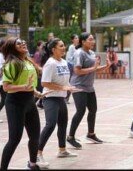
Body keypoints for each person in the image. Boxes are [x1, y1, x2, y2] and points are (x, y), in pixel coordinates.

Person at [0, 37, 44, 170]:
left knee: (35, 136)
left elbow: (29, 84)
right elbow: (6, 87)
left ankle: (32, 164)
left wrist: (36, 92)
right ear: (13, 48)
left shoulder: (28, 61)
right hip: (15, 103)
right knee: (14, 139)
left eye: (24, 42)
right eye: (19, 43)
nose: (23, 43)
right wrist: (23, 87)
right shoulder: (12, 64)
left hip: (29, 101)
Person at [37, 38, 80, 168]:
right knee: (50, 125)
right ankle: (37, 154)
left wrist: (70, 87)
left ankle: (62, 150)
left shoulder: (64, 62)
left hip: (60, 98)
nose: (63, 48)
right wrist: (63, 88)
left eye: (63, 45)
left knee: (62, 124)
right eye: (61, 46)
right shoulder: (50, 63)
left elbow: (64, 81)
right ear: (53, 49)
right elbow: (44, 83)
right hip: (50, 98)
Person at [67, 32, 111, 149]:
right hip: (78, 86)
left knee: (93, 110)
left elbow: (93, 70)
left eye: (93, 39)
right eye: (90, 39)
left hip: (89, 86)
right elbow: (77, 71)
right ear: (83, 41)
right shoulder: (79, 53)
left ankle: (91, 134)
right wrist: (94, 68)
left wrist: (106, 66)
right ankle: (70, 136)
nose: (93, 41)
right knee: (80, 111)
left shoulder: (91, 53)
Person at [65, 34, 79, 104]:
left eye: (77, 38)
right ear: (72, 40)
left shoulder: (76, 47)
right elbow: (70, 58)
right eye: (76, 38)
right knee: (70, 82)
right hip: (70, 66)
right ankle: (66, 98)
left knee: (73, 82)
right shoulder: (72, 47)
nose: (77, 39)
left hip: (73, 66)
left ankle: (67, 98)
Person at [33, 40, 44, 109]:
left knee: (42, 89)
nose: (42, 48)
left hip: (41, 74)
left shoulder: (42, 54)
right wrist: (40, 70)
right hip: (38, 74)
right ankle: (32, 104)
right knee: (40, 90)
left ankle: (40, 103)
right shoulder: (37, 54)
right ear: (38, 47)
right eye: (41, 46)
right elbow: (35, 64)